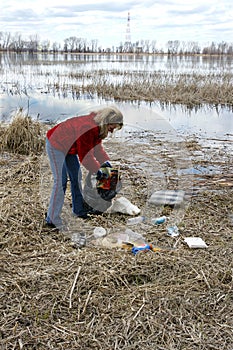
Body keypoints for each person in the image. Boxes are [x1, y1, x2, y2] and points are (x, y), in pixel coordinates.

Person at [45, 106, 123, 229]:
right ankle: (52, 218)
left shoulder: (97, 128)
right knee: (60, 182)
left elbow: (97, 150)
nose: (112, 131)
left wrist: (107, 165)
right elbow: (85, 157)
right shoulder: (87, 127)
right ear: (106, 121)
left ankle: (78, 210)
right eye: (112, 127)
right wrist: (99, 172)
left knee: (77, 177)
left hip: (68, 147)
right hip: (56, 144)